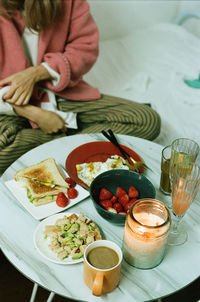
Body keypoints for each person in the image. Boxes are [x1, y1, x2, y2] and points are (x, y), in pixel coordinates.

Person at [0, 0, 161, 174]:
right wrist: (34, 114)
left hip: (60, 93)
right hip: (10, 105)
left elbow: (84, 49)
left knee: (146, 121)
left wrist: (35, 73)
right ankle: (69, 141)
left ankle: (53, 143)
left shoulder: (69, 2)